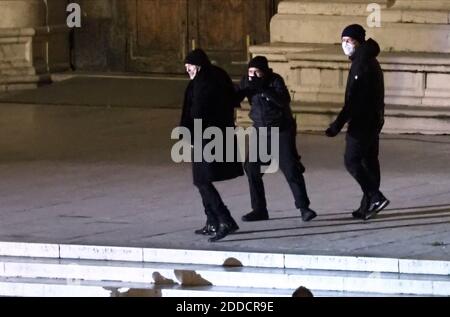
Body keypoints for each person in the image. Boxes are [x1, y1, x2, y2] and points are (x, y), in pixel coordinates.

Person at [236, 56, 317, 222]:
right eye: (250, 72)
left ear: (264, 72)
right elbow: (236, 95)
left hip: (281, 130)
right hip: (261, 130)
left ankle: (304, 207)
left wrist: (264, 89)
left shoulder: (275, 80)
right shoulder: (247, 81)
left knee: (289, 169)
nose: (253, 75)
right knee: (252, 168)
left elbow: (283, 101)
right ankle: (259, 209)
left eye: (256, 72)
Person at [325, 24, 389, 220]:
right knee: (368, 161)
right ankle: (367, 206)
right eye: (342, 40)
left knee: (352, 160)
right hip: (373, 119)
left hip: (363, 121)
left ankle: (375, 196)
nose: (345, 44)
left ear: (358, 41)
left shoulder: (361, 63)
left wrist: (337, 125)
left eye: (349, 41)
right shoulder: (367, 59)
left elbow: (353, 100)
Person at [180, 49, 243, 242]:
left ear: (197, 66)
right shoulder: (217, 75)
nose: (188, 71)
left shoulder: (202, 83)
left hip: (206, 137)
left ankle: (224, 219)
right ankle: (212, 221)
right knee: (201, 180)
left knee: (202, 180)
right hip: (218, 134)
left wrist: (192, 138)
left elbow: (198, 112)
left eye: (190, 68)